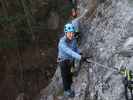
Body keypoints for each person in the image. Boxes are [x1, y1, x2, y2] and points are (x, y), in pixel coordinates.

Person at [58, 23, 87, 97]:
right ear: (66, 33)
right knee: (65, 76)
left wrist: (80, 53)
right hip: (63, 61)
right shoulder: (62, 43)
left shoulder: (73, 39)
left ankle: (71, 79)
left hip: (71, 59)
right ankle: (66, 91)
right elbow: (70, 52)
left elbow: (75, 48)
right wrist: (80, 58)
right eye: (69, 33)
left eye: (72, 33)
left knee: (70, 71)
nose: (71, 34)